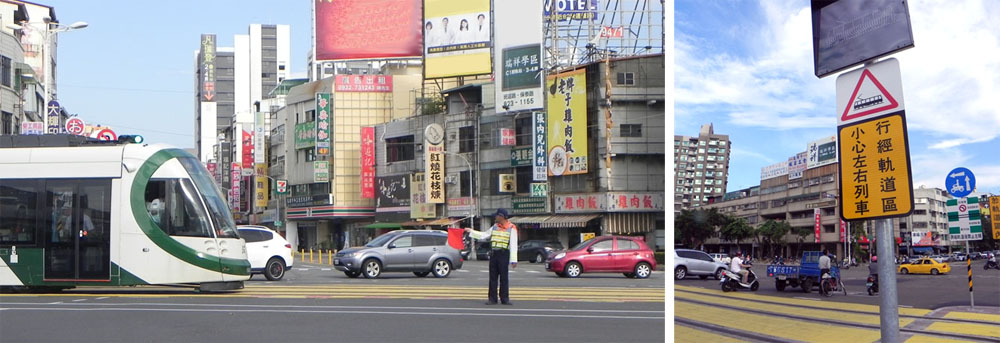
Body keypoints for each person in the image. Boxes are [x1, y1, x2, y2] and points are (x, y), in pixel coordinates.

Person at [466, 208, 519, 305]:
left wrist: (514, 260)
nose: (495, 217)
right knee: (493, 277)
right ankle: (492, 298)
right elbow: (484, 235)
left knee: (504, 277)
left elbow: (513, 245)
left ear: (501, 217)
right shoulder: (494, 226)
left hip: (503, 254)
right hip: (494, 254)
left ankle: (504, 298)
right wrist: (471, 231)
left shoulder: (511, 228)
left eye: (497, 215)